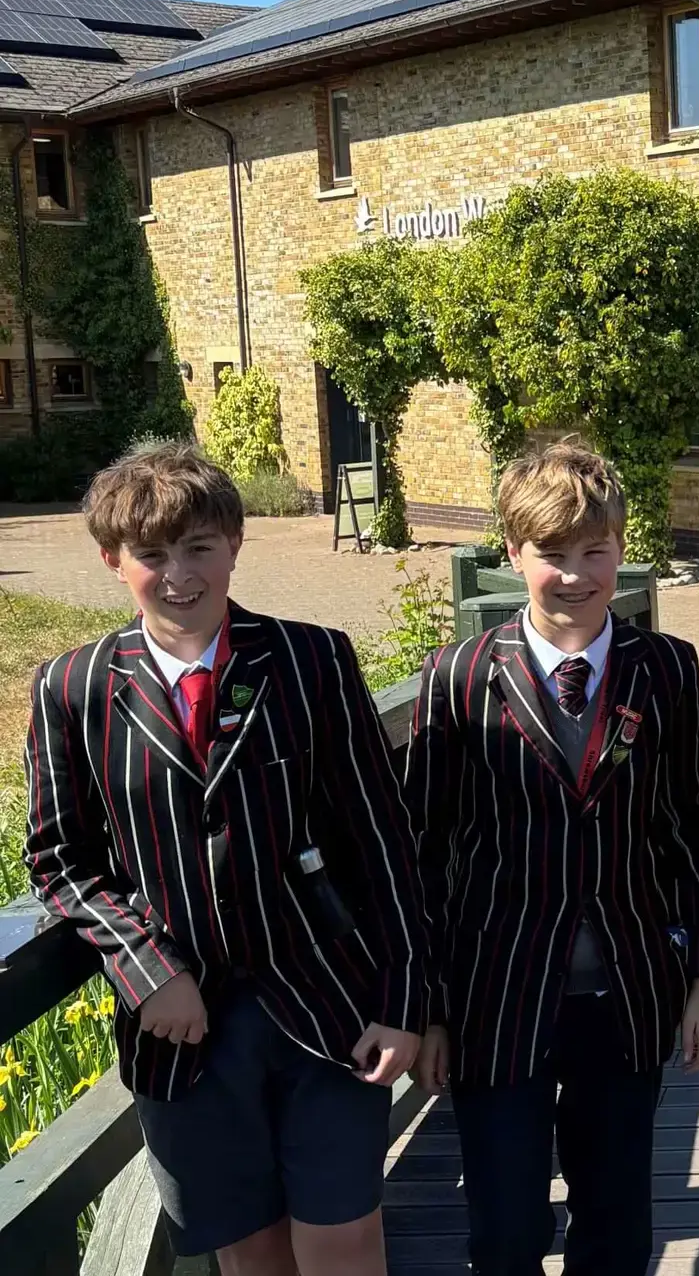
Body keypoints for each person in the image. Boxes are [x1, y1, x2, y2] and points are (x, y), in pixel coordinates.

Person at [22, 443, 427, 1274]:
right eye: (151, 554)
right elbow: (60, 858)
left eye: (199, 547)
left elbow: (382, 839)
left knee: (344, 1236)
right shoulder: (73, 688)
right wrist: (147, 969)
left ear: (235, 543)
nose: (179, 575)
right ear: (112, 560)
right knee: (249, 1250)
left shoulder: (311, 660)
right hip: (185, 1031)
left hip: (329, 1005)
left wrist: (403, 1002)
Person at [405, 440, 699, 1276]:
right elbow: (424, 855)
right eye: (552, 554)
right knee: (505, 1229)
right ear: (514, 553)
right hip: (495, 995)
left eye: (595, 551)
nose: (576, 575)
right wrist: (427, 1008)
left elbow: (692, 827)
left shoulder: (665, 669)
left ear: (621, 548)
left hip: (626, 992)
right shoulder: (459, 676)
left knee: (615, 1227)